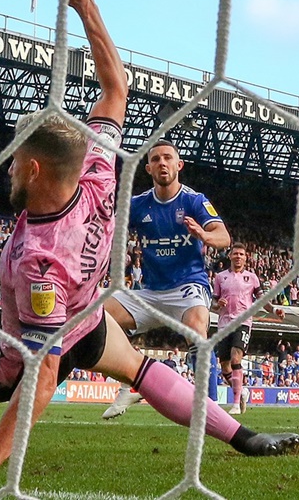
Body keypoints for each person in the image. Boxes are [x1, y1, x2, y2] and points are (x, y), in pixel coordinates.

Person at [0, 0, 299, 476]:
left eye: (14, 161)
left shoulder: (40, 259)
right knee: (140, 368)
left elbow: (43, 372)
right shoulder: (97, 172)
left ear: (33, 169)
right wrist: (87, 7)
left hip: (26, 350)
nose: (7, 168)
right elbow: (116, 86)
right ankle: (244, 438)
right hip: (90, 321)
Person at [101, 138, 231, 419]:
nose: (162, 163)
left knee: (197, 329)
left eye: (168, 158)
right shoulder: (137, 204)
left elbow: (224, 237)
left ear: (179, 165)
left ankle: (209, 410)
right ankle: (131, 382)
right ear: (148, 168)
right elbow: (107, 227)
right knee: (94, 316)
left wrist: (205, 235)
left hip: (187, 287)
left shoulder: (194, 201)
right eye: (156, 159)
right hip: (149, 292)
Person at [211, 242, 284, 415]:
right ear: (230, 256)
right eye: (235, 254)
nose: (238, 257)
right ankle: (242, 392)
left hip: (243, 322)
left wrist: (274, 310)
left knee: (236, 359)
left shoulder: (252, 278)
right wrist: (217, 304)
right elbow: (213, 303)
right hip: (224, 323)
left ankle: (235, 404)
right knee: (225, 367)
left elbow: (261, 300)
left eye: (241, 254)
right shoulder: (220, 277)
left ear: (246, 257)